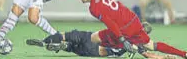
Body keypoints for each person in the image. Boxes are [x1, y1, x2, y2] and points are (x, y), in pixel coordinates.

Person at [37, 0, 187, 59]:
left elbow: (110, 22)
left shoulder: (94, 8)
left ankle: (68, 44)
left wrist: (121, 38)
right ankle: (184, 54)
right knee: (151, 45)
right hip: (133, 20)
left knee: (93, 38)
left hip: (122, 29)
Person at [26, 28, 177, 59]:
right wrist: (167, 57)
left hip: (89, 36)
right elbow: (150, 55)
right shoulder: (138, 44)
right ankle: (64, 47)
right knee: (74, 48)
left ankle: (46, 41)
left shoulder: (123, 27)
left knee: (67, 35)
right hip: (95, 51)